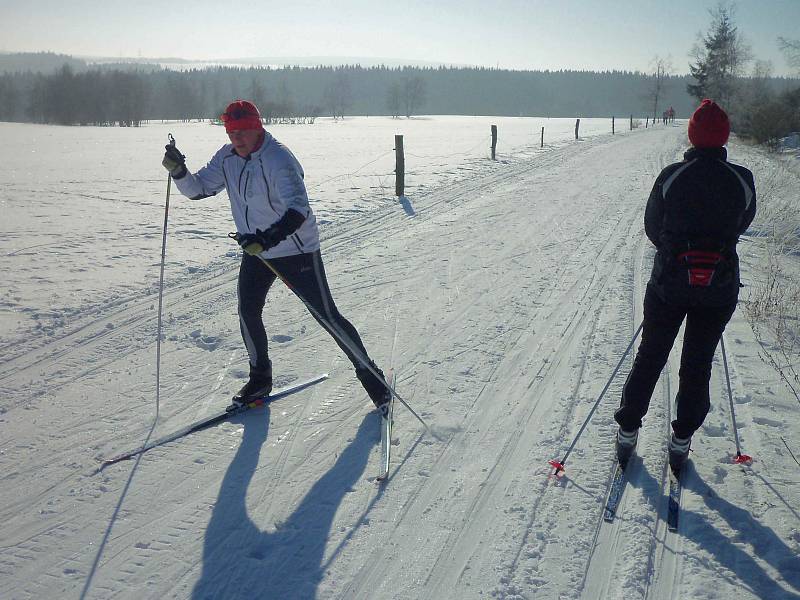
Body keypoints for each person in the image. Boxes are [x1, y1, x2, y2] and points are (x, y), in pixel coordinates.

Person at [161, 99, 391, 413]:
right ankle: (260, 379)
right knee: (248, 311)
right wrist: (179, 171)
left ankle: (371, 378)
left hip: (296, 250)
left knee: (326, 316)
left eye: (244, 130)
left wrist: (267, 238)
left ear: (258, 128)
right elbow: (198, 190)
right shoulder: (226, 157)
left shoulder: (278, 158)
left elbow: (299, 209)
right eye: (232, 130)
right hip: (256, 251)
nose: (237, 137)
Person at [614, 99, 756, 474]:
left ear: (692, 135)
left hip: (668, 288)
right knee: (697, 366)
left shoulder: (672, 175)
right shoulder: (742, 179)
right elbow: (742, 223)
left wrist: (676, 251)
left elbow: (652, 227)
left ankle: (628, 430)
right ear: (723, 137)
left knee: (651, 356)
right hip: (718, 290)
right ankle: (681, 440)